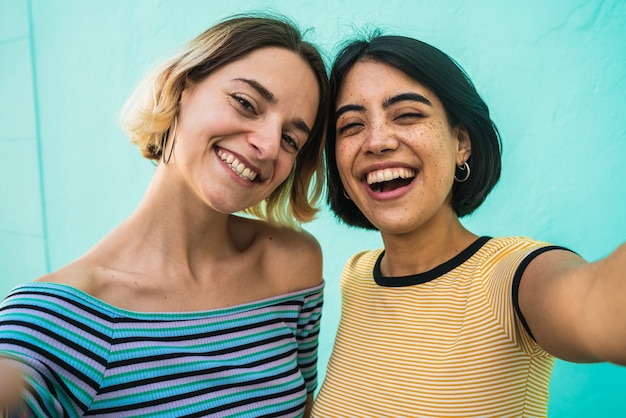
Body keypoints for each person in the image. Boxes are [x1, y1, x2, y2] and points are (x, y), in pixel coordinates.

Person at [0, 14, 329, 417]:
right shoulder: (52, 318)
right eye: (246, 103)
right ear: (181, 89)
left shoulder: (293, 267)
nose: (267, 145)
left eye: (291, 139)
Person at [311, 33, 626, 417]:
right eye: (351, 125)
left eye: (407, 115)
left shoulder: (513, 275)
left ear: (461, 142)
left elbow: (596, 302)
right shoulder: (357, 277)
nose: (376, 141)